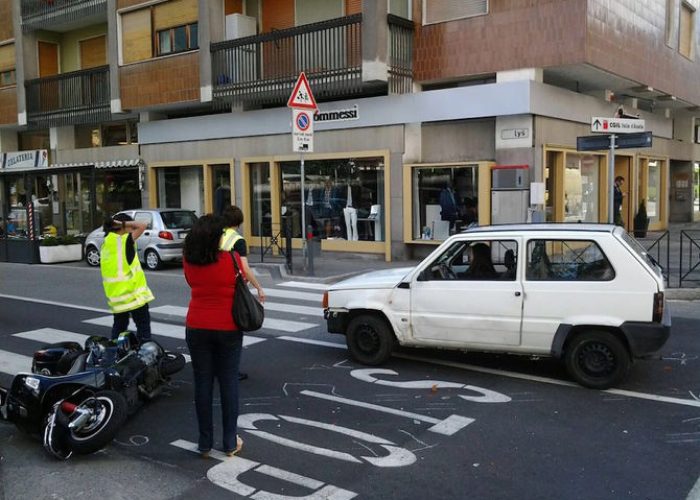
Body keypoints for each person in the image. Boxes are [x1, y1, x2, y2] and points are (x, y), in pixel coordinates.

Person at [219, 205, 265, 381]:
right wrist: (258, 287)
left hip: (216, 286)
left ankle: (219, 367)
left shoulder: (217, 235)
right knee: (233, 330)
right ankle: (231, 370)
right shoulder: (238, 240)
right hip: (232, 288)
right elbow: (244, 268)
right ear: (239, 222)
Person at [100, 213, 154, 342]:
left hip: (117, 299)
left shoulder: (105, 244)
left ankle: (114, 353)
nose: (131, 228)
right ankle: (144, 355)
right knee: (143, 328)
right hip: (134, 296)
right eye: (129, 225)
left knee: (119, 328)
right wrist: (121, 223)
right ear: (122, 226)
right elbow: (142, 225)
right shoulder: (125, 241)